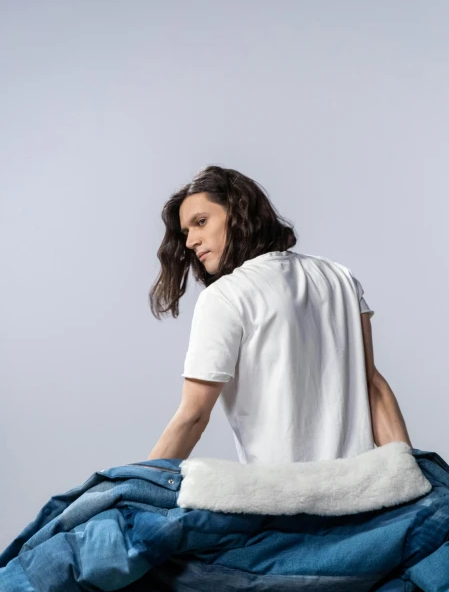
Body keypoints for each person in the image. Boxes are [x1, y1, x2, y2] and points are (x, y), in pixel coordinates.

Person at [146, 164, 412, 463]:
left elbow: (193, 416)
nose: (190, 241)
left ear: (238, 214)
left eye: (201, 221)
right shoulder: (340, 277)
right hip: (359, 495)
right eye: (186, 231)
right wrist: (408, 471)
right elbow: (372, 385)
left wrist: (132, 487)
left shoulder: (224, 296)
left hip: (282, 500)